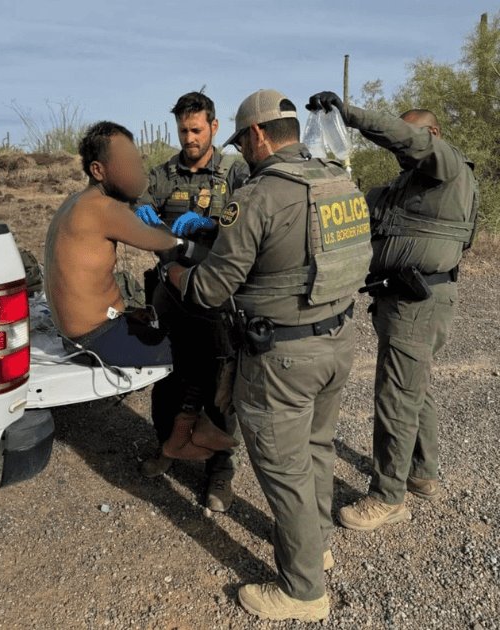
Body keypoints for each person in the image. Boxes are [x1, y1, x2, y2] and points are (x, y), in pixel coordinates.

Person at [162, 89, 372, 621]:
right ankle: (315, 544)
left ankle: (303, 592)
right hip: (338, 341)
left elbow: (212, 289)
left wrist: (179, 273)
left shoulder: (257, 196)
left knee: (283, 468)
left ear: (257, 135)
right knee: (318, 447)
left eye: (242, 140)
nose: (245, 152)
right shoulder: (339, 180)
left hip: (282, 356)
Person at [306, 92, 480, 531]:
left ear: (432, 134)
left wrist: (352, 115)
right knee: (413, 389)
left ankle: (387, 496)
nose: (400, 147)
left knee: (395, 396)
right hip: (397, 300)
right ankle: (422, 473)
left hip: (418, 303)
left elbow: (406, 139)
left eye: (409, 136)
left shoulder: (448, 167)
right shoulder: (401, 187)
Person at [44, 121, 232, 460]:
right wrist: (223, 256)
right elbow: (165, 244)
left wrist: (127, 313)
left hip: (84, 330)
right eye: (127, 164)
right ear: (98, 170)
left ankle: (178, 431)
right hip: (95, 338)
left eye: (137, 162)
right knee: (203, 347)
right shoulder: (104, 209)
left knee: (176, 330)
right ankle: (183, 433)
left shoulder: (77, 202)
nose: (138, 173)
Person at [132, 92, 251, 511]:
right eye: (183, 130)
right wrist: (144, 212)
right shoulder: (165, 173)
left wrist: (212, 224)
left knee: (220, 385)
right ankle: (168, 446)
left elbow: (253, 221)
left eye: (196, 130)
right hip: (170, 294)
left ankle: (219, 474)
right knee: (168, 378)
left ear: (214, 128)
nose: (189, 138)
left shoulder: (233, 173)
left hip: (218, 296)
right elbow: (136, 194)